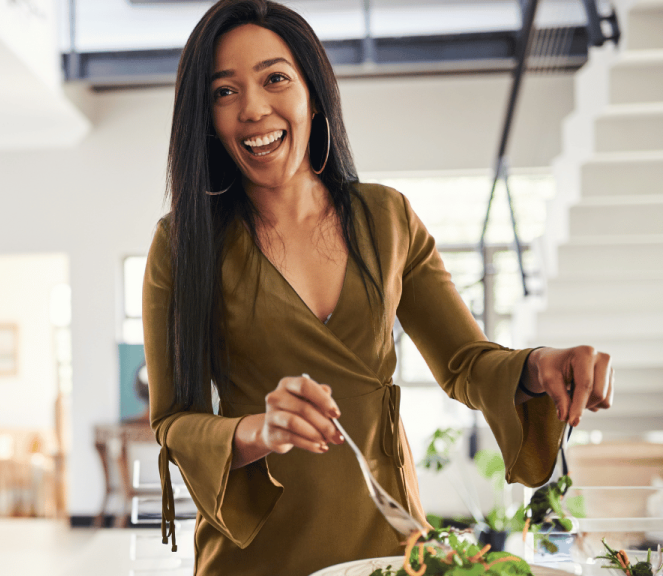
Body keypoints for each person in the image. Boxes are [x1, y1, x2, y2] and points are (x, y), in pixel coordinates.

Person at [141, 1, 616, 575]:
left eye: (275, 78)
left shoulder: (388, 218)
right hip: (256, 557)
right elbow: (174, 421)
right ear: (206, 117)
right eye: (224, 91)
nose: (254, 109)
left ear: (313, 93)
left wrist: (538, 366)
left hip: (389, 546)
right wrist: (258, 431)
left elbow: (466, 362)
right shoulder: (183, 245)